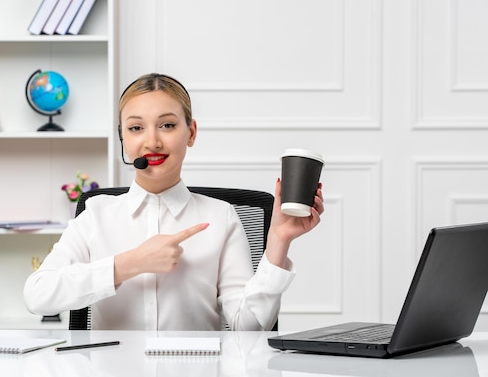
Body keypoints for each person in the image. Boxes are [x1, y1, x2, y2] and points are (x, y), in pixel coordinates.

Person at [23, 73, 324, 330]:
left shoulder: (221, 216)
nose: (152, 141)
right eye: (136, 128)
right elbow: (37, 296)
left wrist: (278, 243)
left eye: (167, 125)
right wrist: (130, 263)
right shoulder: (96, 214)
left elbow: (248, 326)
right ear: (123, 138)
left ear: (190, 133)